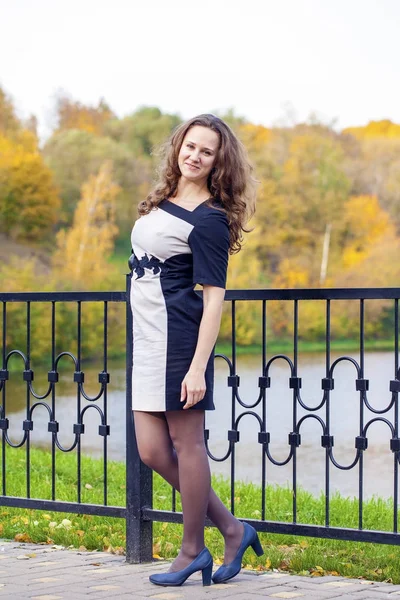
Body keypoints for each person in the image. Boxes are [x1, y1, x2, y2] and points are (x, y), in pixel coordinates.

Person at [129, 113, 261, 587]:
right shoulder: (163, 200)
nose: (195, 156)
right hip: (146, 341)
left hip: (178, 342)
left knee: (188, 445)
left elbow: (214, 298)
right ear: (178, 147)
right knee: (149, 450)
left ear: (217, 162)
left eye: (206, 151)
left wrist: (198, 367)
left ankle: (191, 550)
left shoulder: (208, 219)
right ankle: (231, 528)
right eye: (190, 146)